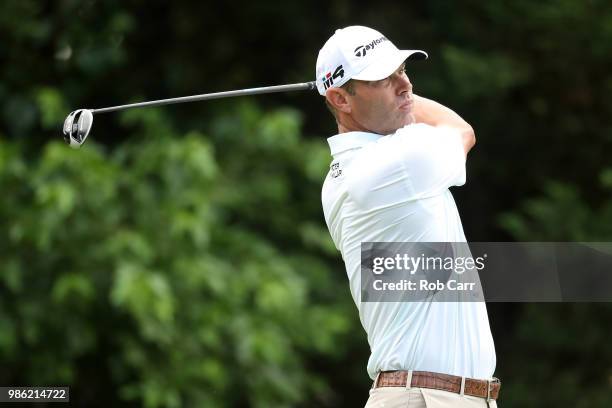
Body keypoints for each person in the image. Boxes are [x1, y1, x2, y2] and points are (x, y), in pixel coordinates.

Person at [317, 26, 500, 407]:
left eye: (402, 70)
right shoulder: (393, 162)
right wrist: (405, 102)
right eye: (384, 79)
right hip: (427, 397)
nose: (405, 86)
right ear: (340, 98)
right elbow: (460, 130)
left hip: (430, 395)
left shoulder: (345, 174)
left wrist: (386, 93)